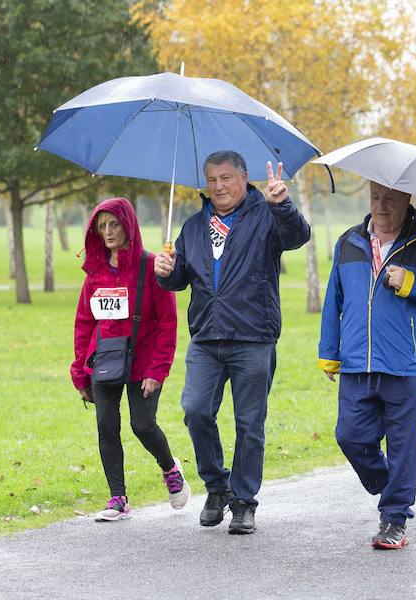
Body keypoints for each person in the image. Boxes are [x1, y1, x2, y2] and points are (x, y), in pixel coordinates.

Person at [154, 151, 310, 534]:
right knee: (195, 410)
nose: (219, 186)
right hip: (206, 336)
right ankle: (217, 486)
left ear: (244, 178)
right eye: (212, 179)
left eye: (226, 178)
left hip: (253, 335)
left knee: (249, 423)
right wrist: (165, 271)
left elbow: (298, 236)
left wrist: (282, 205)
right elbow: (180, 279)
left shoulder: (266, 216)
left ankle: (243, 501)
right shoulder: (194, 226)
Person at [318, 182, 416, 550]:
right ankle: (389, 483)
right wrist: (329, 351)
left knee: (403, 446)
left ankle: (394, 518)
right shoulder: (349, 242)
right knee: (349, 435)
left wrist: (411, 282)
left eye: (391, 199)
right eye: (375, 198)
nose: (381, 206)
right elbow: (333, 298)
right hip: (357, 362)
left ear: (407, 200)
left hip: (407, 364)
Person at [70, 197, 190, 521]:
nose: (108, 232)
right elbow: (84, 323)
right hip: (104, 361)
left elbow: (167, 323)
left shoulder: (151, 267)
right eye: (102, 227)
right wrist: (81, 373)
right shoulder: (95, 273)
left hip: (144, 362)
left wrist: (157, 370)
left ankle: (171, 469)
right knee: (106, 427)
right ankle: (118, 498)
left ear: (128, 226)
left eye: (114, 224)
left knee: (143, 425)